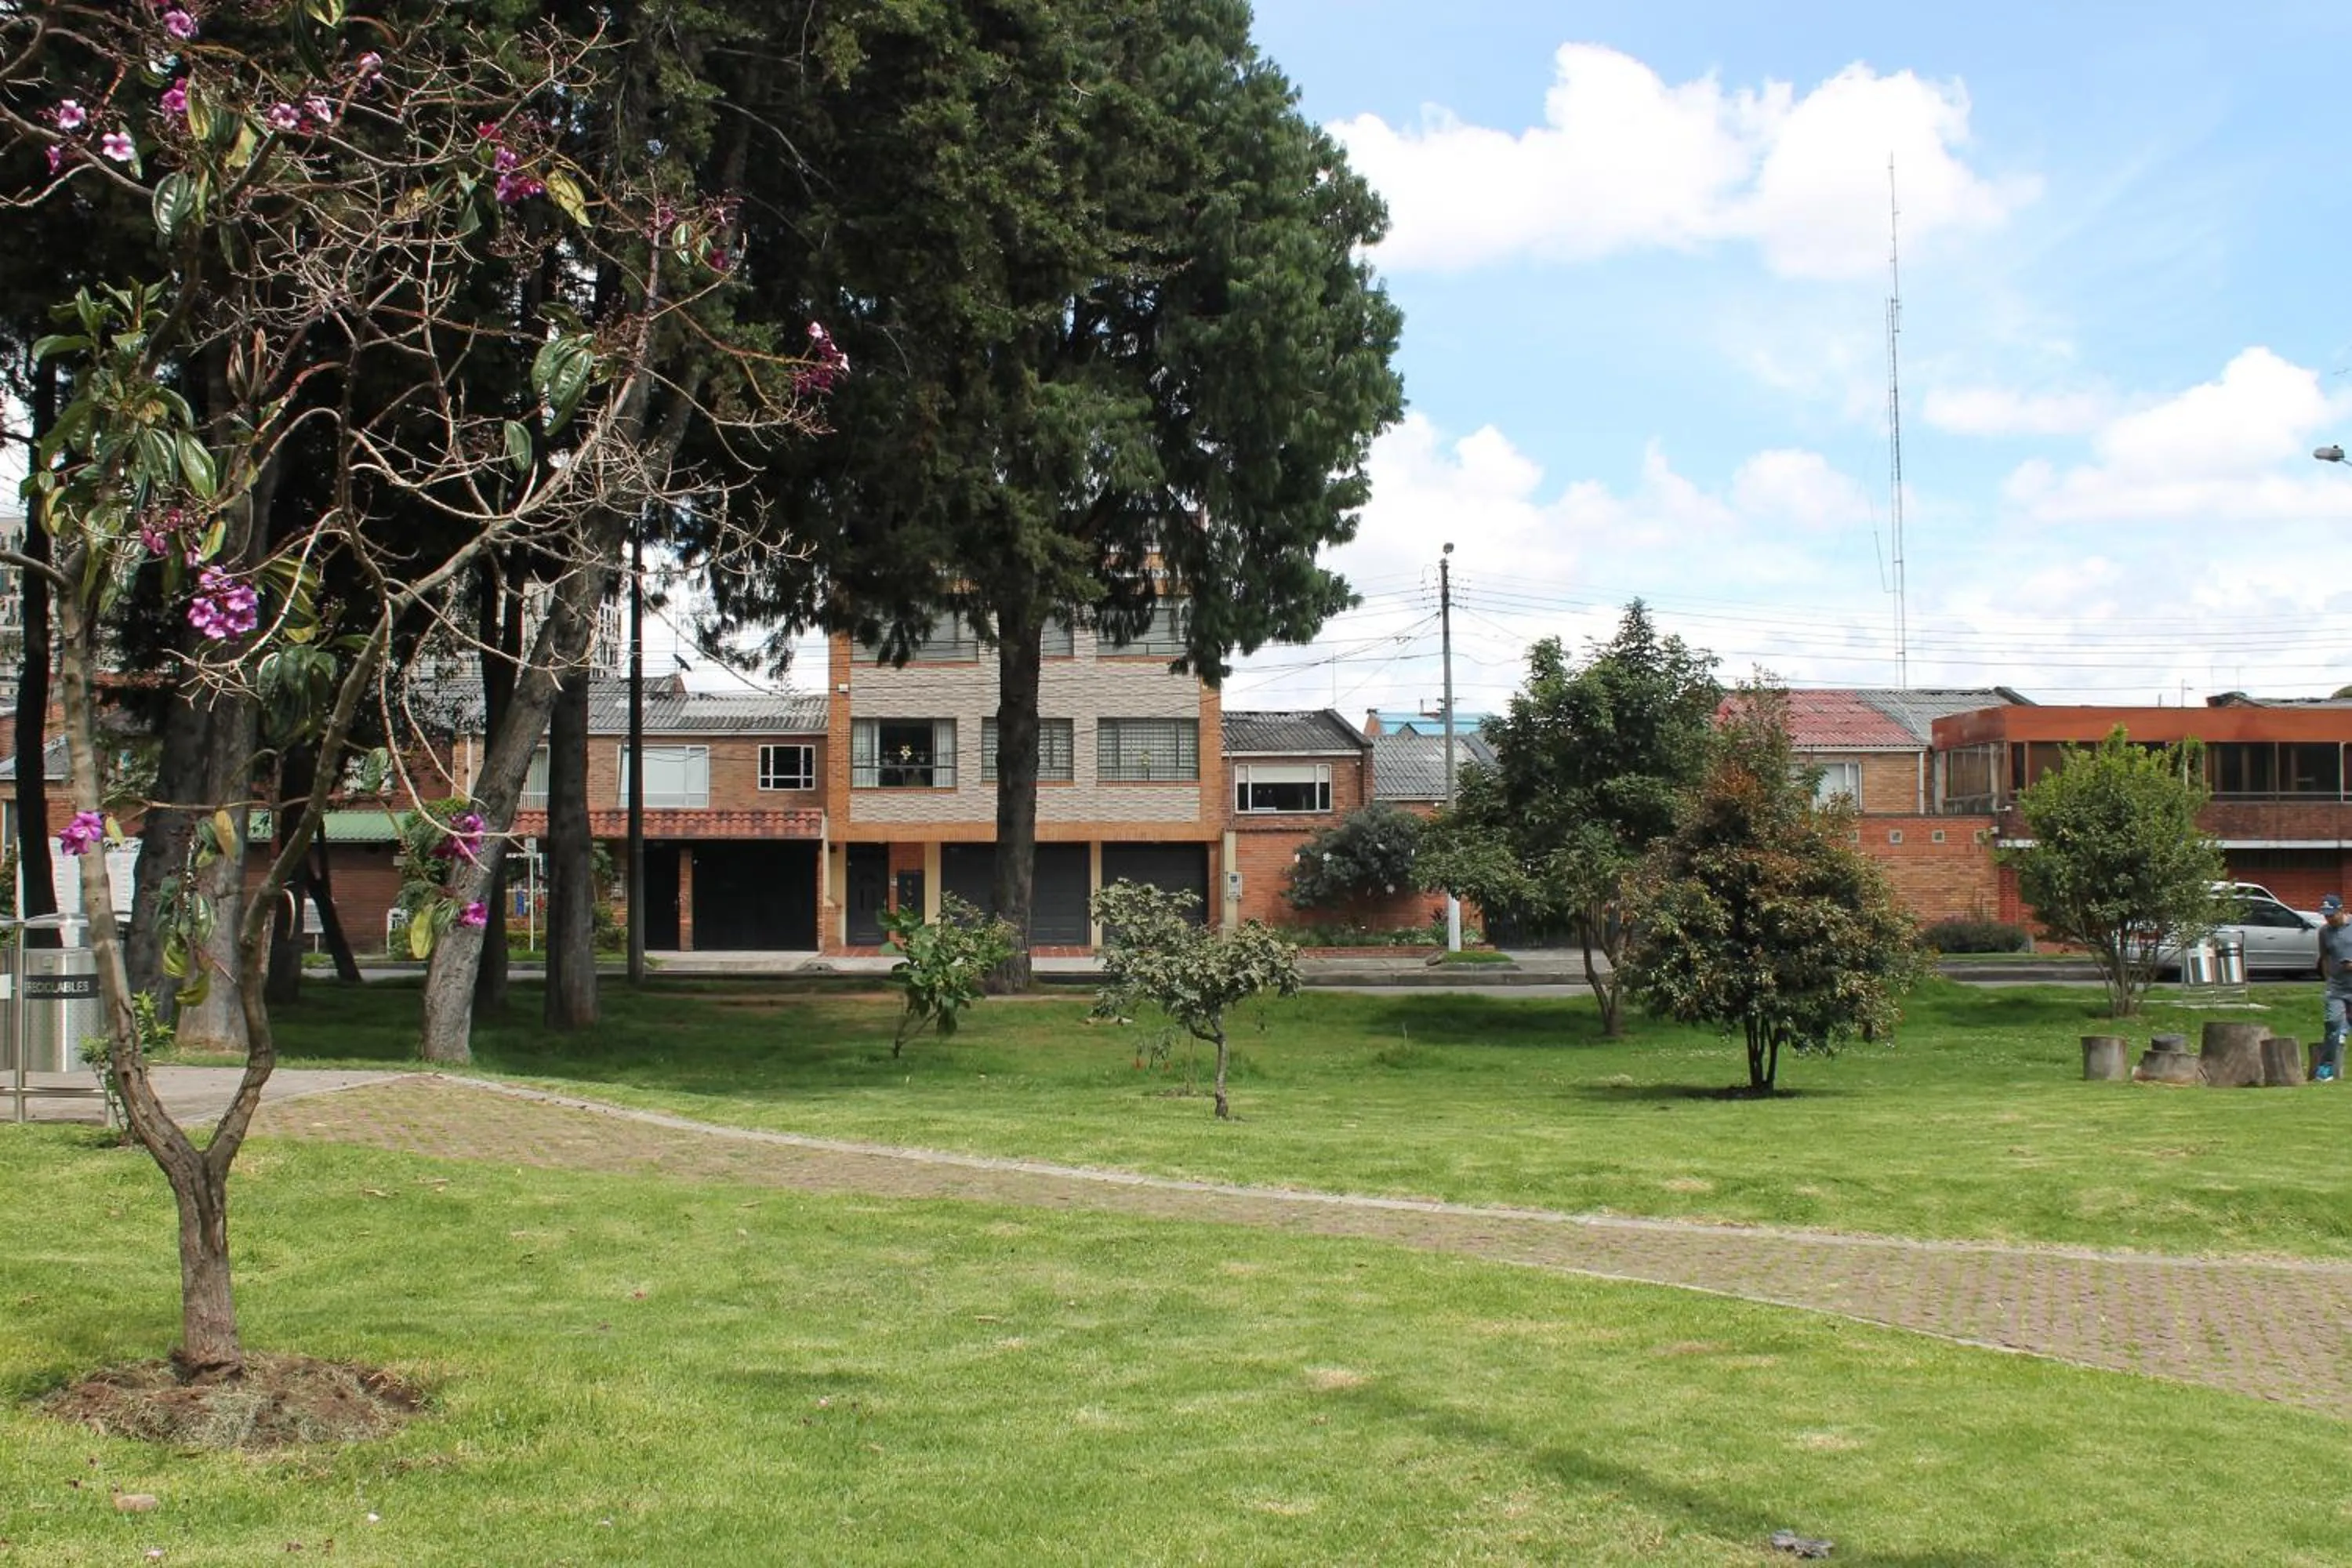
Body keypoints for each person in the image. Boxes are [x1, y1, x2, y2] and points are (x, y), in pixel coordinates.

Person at [2320, 895, 2352, 1081]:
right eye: (2325, 915)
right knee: (2331, 1024)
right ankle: (2326, 1068)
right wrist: (2328, 979)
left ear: (2341, 910)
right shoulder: (2324, 932)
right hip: (2336, 988)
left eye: (2331, 915)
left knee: (2342, 1027)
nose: (2328, 919)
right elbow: (2324, 957)